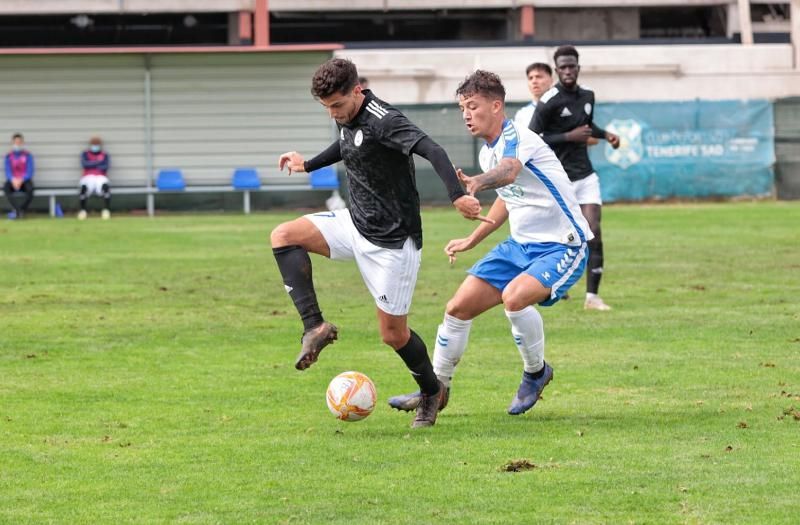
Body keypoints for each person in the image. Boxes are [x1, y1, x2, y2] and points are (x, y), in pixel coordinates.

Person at [270, 58, 488, 428]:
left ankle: (432, 391)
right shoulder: (348, 118)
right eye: (327, 109)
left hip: (391, 243)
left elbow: (433, 149)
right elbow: (347, 145)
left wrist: (457, 197)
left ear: (357, 91)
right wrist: (307, 165)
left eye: (337, 106)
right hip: (355, 224)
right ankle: (315, 327)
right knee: (284, 236)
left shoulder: (385, 119)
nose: (333, 114)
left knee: (393, 334)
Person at [388, 70, 592, 417]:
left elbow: (509, 171)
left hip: (563, 245)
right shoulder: (486, 153)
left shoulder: (520, 138)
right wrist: (471, 239)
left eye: (473, 106)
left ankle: (535, 372)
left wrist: (477, 183)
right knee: (457, 308)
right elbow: (507, 199)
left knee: (514, 298)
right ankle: (435, 390)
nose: (466, 114)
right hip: (520, 246)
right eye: (462, 108)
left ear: (496, 105)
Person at [529, 45, 620, 311]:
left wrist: (606, 136)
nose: (568, 71)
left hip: (585, 176)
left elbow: (587, 126)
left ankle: (592, 297)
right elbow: (532, 139)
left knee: (594, 232)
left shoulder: (588, 95)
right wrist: (568, 137)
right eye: (563, 67)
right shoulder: (549, 100)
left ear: (578, 68)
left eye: (572, 66)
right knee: (556, 237)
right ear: (557, 70)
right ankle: (546, 289)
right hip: (558, 180)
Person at [78, 136, 111, 220]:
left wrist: (92, 164)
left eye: (97, 145)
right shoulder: (85, 154)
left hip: (101, 176)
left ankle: (106, 210)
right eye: (93, 145)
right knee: (84, 188)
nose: (95, 147)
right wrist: (97, 163)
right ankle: (83, 211)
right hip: (88, 176)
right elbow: (85, 164)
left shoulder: (104, 155)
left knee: (105, 186)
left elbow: (105, 166)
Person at [512, 62, 552, 130]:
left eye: (539, 77)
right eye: (530, 78)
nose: (534, 81)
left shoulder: (562, 108)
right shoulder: (522, 114)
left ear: (551, 80)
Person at [4, 133, 35, 220]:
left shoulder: (28, 155)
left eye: (19, 142)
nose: (18, 144)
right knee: (6, 188)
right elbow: (7, 171)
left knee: (30, 189)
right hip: (13, 181)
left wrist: (21, 180)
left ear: (22, 143)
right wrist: (13, 180)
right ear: (13, 143)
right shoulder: (8, 156)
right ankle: (19, 211)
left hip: (24, 181)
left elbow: (30, 171)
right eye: (16, 142)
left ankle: (19, 210)